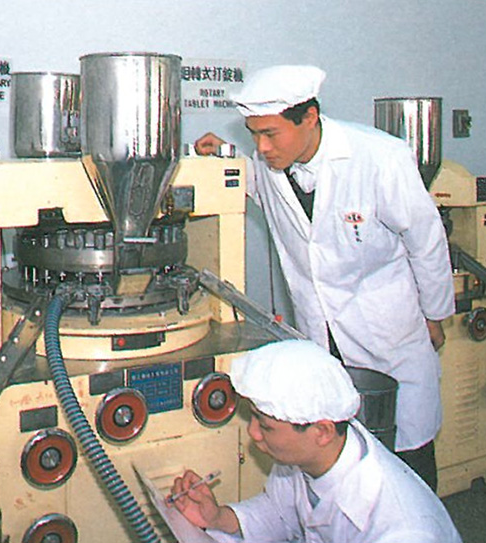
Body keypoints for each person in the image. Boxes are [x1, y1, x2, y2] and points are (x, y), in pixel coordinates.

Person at [194, 65, 454, 489]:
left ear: (309, 117)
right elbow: (255, 183)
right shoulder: (269, 165)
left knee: (406, 459)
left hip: (388, 333)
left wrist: (435, 314)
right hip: (321, 333)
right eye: (254, 134)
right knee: (338, 462)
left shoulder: (379, 157)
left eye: (270, 134)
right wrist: (224, 154)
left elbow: (426, 240)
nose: (261, 147)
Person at [169, 340, 462, 543]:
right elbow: (280, 512)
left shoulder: (403, 531)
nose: (253, 433)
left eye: (265, 426)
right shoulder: (312, 455)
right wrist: (217, 517)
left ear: (322, 431)